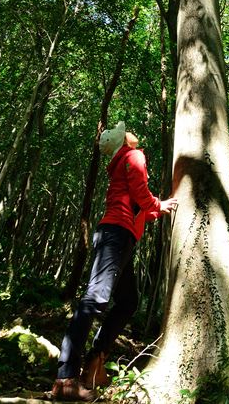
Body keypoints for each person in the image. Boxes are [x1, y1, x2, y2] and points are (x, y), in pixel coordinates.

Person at [51, 121, 178, 401]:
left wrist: (157, 209)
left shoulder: (123, 162)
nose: (131, 134)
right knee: (94, 300)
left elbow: (136, 204)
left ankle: (94, 365)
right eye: (126, 134)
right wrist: (158, 204)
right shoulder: (134, 155)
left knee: (129, 301)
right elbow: (140, 194)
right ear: (123, 143)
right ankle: (65, 378)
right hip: (116, 234)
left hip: (121, 235)